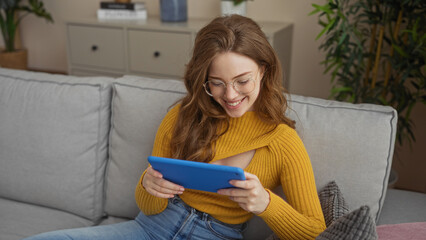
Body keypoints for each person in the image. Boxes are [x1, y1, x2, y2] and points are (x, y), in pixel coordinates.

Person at [23, 15, 326, 240]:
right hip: (150, 226)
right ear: (203, 80)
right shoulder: (182, 117)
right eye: (216, 84)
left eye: (242, 81)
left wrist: (266, 204)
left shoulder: (283, 141)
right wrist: (149, 185)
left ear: (263, 69)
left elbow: (316, 232)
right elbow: (150, 206)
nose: (230, 96)